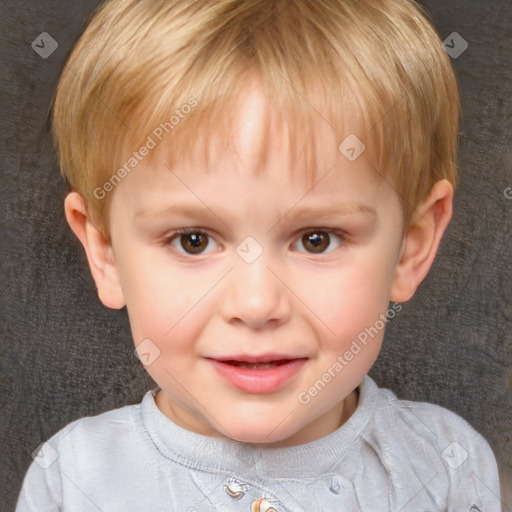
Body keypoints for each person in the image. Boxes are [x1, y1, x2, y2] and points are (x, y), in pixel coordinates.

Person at [16, 0, 502, 510]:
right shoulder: (74, 479)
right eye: (193, 240)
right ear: (106, 254)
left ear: (411, 248)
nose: (255, 304)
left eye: (317, 239)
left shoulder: (447, 467)